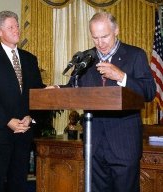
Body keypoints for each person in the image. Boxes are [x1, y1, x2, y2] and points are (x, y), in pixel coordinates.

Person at [47, 11, 156, 192]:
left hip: (124, 143)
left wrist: (122, 76)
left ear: (116, 31)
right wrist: (58, 89)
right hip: (94, 143)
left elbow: (150, 92)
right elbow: (74, 87)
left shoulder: (135, 55)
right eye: (95, 37)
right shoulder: (86, 58)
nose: (100, 43)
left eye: (104, 36)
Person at [0, 11, 44, 192]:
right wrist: (7, 121)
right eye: (11, 27)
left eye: (17, 26)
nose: (16, 30)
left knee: (18, 184)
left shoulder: (30, 59)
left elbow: (37, 94)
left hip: (24, 134)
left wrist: (30, 116)